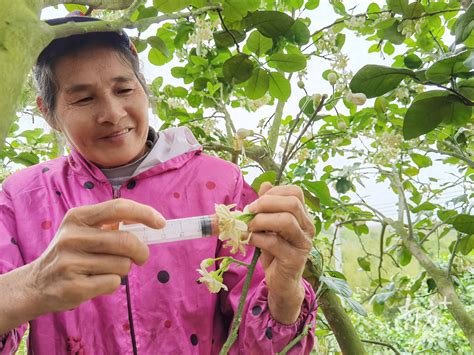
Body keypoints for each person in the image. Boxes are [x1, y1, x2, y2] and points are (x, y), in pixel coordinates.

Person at [0, 14, 317, 354]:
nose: (113, 113)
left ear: (143, 87)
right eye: (83, 99)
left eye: (123, 89)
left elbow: (258, 343)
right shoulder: (22, 197)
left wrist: (285, 288)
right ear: (47, 112)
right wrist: (33, 285)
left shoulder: (221, 183)